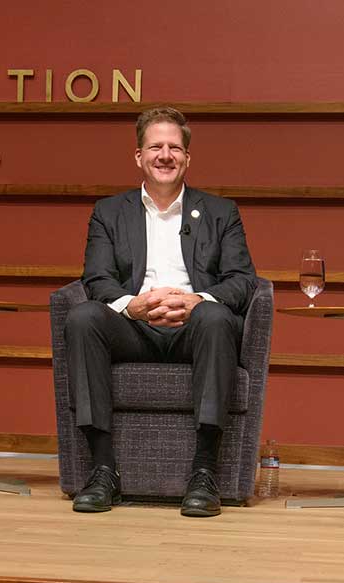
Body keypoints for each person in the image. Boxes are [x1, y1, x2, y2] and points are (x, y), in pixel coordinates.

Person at [64, 107, 257, 517]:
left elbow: (242, 281)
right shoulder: (109, 212)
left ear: (188, 158)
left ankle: (204, 472)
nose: (165, 155)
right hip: (133, 328)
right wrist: (132, 307)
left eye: (174, 147)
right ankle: (102, 470)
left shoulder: (221, 212)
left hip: (196, 329)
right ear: (139, 156)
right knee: (83, 317)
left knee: (217, 316)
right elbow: (96, 279)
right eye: (156, 147)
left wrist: (197, 301)